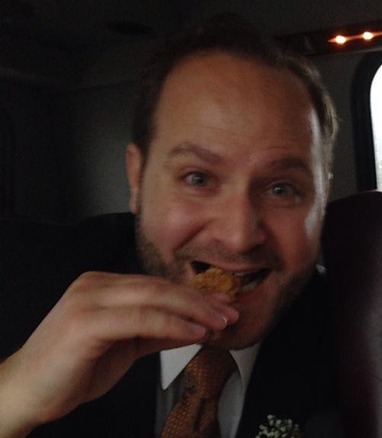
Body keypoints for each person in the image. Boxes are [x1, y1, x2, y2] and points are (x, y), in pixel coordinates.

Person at [0, 14, 341, 438]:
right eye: (198, 178)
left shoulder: (364, 338)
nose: (238, 237)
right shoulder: (18, 281)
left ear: (322, 200)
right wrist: (12, 396)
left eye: (281, 189)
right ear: (137, 179)